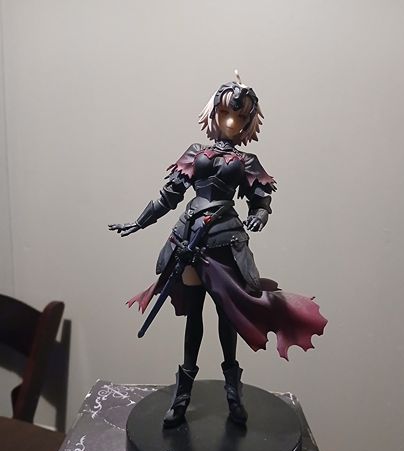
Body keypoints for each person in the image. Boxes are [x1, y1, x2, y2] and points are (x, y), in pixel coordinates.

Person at [109, 72, 326, 428]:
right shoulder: (196, 153)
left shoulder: (247, 161)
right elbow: (169, 196)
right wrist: (138, 222)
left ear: (247, 122)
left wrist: (259, 216)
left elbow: (261, 201)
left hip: (226, 242)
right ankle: (183, 395)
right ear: (213, 113)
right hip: (188, 239)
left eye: (238, 116)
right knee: (194, 316)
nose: (230, 122)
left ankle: (232, 392)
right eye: (225, 113)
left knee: (229, 315)